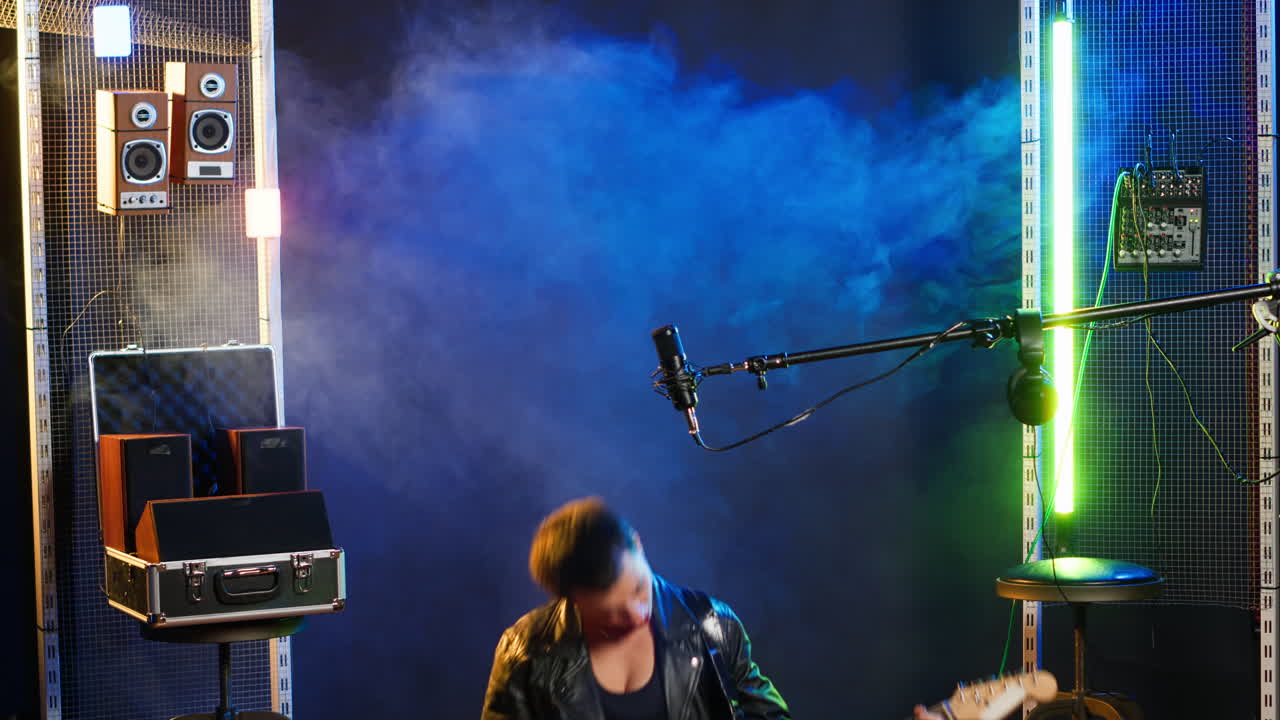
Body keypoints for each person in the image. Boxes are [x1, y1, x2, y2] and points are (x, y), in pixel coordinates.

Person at [480, 497, 945, 720]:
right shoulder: (525, 651)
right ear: (570, 599)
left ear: (639, 546)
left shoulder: (711, 625)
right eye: (613, 613)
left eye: (639, 588)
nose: (637, 612)